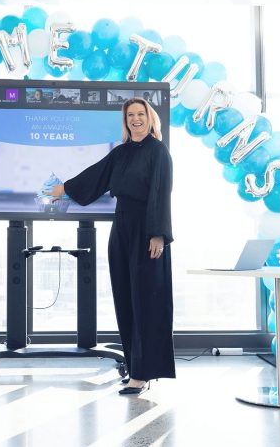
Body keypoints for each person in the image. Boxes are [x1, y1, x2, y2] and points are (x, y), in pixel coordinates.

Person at [47, 97, 174, 395]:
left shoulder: (158, 152)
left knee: (146, 301)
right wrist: (64, 188)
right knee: (126, 299)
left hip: (147, 230)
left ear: (150, 118)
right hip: (122, 228)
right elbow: (97, 175)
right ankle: (135, 368)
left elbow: (161, 193)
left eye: (141, 114)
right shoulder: (120, 153)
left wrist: (158, 234)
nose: (136, 119)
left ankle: (143, 374)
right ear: (126, 121)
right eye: (130, 115)